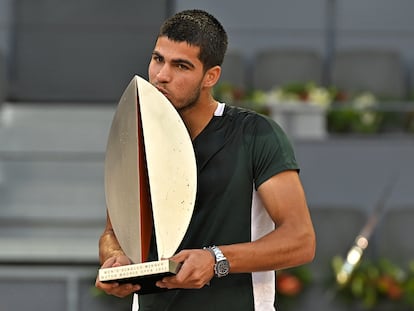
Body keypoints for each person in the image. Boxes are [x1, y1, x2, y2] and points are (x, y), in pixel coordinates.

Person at [95, 9, 315, 311]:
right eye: (158, 59)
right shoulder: (136, 137)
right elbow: (112, 233)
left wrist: (216, 260)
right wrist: (115, 258)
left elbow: (301, 240)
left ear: (211, 76)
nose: (162, 76)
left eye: (181, 66)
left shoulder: (256, 134)